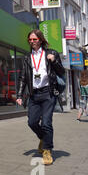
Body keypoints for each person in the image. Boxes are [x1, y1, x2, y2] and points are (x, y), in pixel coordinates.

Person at [16, 29, 65, 165]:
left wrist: (54, 61)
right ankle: (43, 138)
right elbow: (23, 77)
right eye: (30, 40)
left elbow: (61, 71)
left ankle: (47, 151)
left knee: (46, 123)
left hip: (48, 93)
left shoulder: (51, 53)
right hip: (34, 94)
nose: (32, 42)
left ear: (41, 40)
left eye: (34, 39)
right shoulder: (27, 58)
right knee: (32, 122)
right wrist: (20, 94)